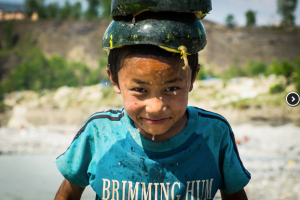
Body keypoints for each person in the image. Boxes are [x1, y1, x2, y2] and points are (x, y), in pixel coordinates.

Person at [54, 6, 251, 200]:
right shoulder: (98, 133)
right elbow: (68, 194)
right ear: (114, 79)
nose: (156, 107)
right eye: (140, 90)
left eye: (172, 89)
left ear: (192, 79)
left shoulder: (214, 133)